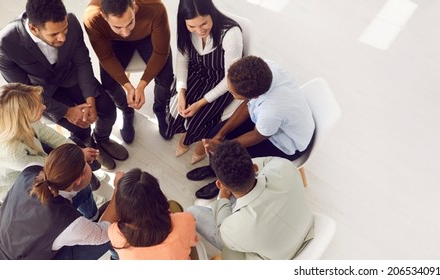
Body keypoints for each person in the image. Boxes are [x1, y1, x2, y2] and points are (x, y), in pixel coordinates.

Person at [0, 0, 128, 170]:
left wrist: (90, 100)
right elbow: (23, 92)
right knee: (79, 129)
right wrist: (67, 112)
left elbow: (83, 62)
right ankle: (90, 145)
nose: (62, 38)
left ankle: (103, 139)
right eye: (54, 34)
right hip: (43, 93)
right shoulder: (4, 44)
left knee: (108, 110)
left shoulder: (71, 21)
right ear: (34, 28)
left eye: (65, 31)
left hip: (73, 76)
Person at [187, 56, 315, 199]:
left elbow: (257, 135)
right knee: (214, 134)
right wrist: (220, 136)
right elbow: (248, 105)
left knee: (232, 160)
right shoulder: (265, 69)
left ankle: (224, 185)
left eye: (233, 93)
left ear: (254, 96)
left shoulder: (271, 111)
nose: (230, 93)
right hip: (270, 123)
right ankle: (214, 169)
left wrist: (224, 148)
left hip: (286, 142)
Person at [0, 83, 101, 219]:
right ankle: (93, 217)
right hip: (20, 190)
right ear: (24, 116)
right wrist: (78, 158)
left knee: (75, 156)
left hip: (32, 161)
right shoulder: (10, 151)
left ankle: (89, 195)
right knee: (82, 190)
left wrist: (77, 150)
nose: (44, 107)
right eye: (38, 106)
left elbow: (48, 134)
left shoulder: (14, 120)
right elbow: (46, 167)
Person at [186, 141, 314, 260]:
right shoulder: (283, 167)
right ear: (254, 168)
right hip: (308, 230)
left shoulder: (234, 229)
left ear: (219, 184)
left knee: (193, 212)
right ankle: (216, 206)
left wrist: (223, 197)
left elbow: (222, 230)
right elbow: (267, 162)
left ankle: (216, 206)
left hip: (276, 261)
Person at [0, 144, 117, 260]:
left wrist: (77, 157)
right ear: (78, 179)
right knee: (117, 229)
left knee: (83, 191)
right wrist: (118, 192)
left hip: (10, 239)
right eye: (85, 163)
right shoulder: (68, 223)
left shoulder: (32, 169)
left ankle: (93, 218)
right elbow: (103, 234)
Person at [164, 0, 244, 164]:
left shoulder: (230, 34)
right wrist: (181, 92)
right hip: (196, 72)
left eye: (204, 24)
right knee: (174, 112)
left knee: (197, 120)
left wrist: (200, 103)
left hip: (222, 81)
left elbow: (230, 77)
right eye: (192, 26)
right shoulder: (185, 29)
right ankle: (188, 132)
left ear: (212, 13)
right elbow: (182, 60)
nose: (199, 31)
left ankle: (197, 140)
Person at [84, 0, 174, 142]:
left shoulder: (155, 7)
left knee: (166, 76)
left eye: (130, 22)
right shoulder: (92, 18)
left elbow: (161, 52)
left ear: (134, 6)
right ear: (103, 15)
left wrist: (142, 85)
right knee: (108, 83)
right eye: (118, 26)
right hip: (115, 42)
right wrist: (128, 86)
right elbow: (106, 57)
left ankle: (160, 109)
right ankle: (126, 111)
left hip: (147, 37)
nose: (125, 32)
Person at [108, 168, 198, 260]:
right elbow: (193, 242)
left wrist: (116, 189)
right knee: (174, 205)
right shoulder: (185, 220)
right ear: (159, 197)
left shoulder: (114, 232)